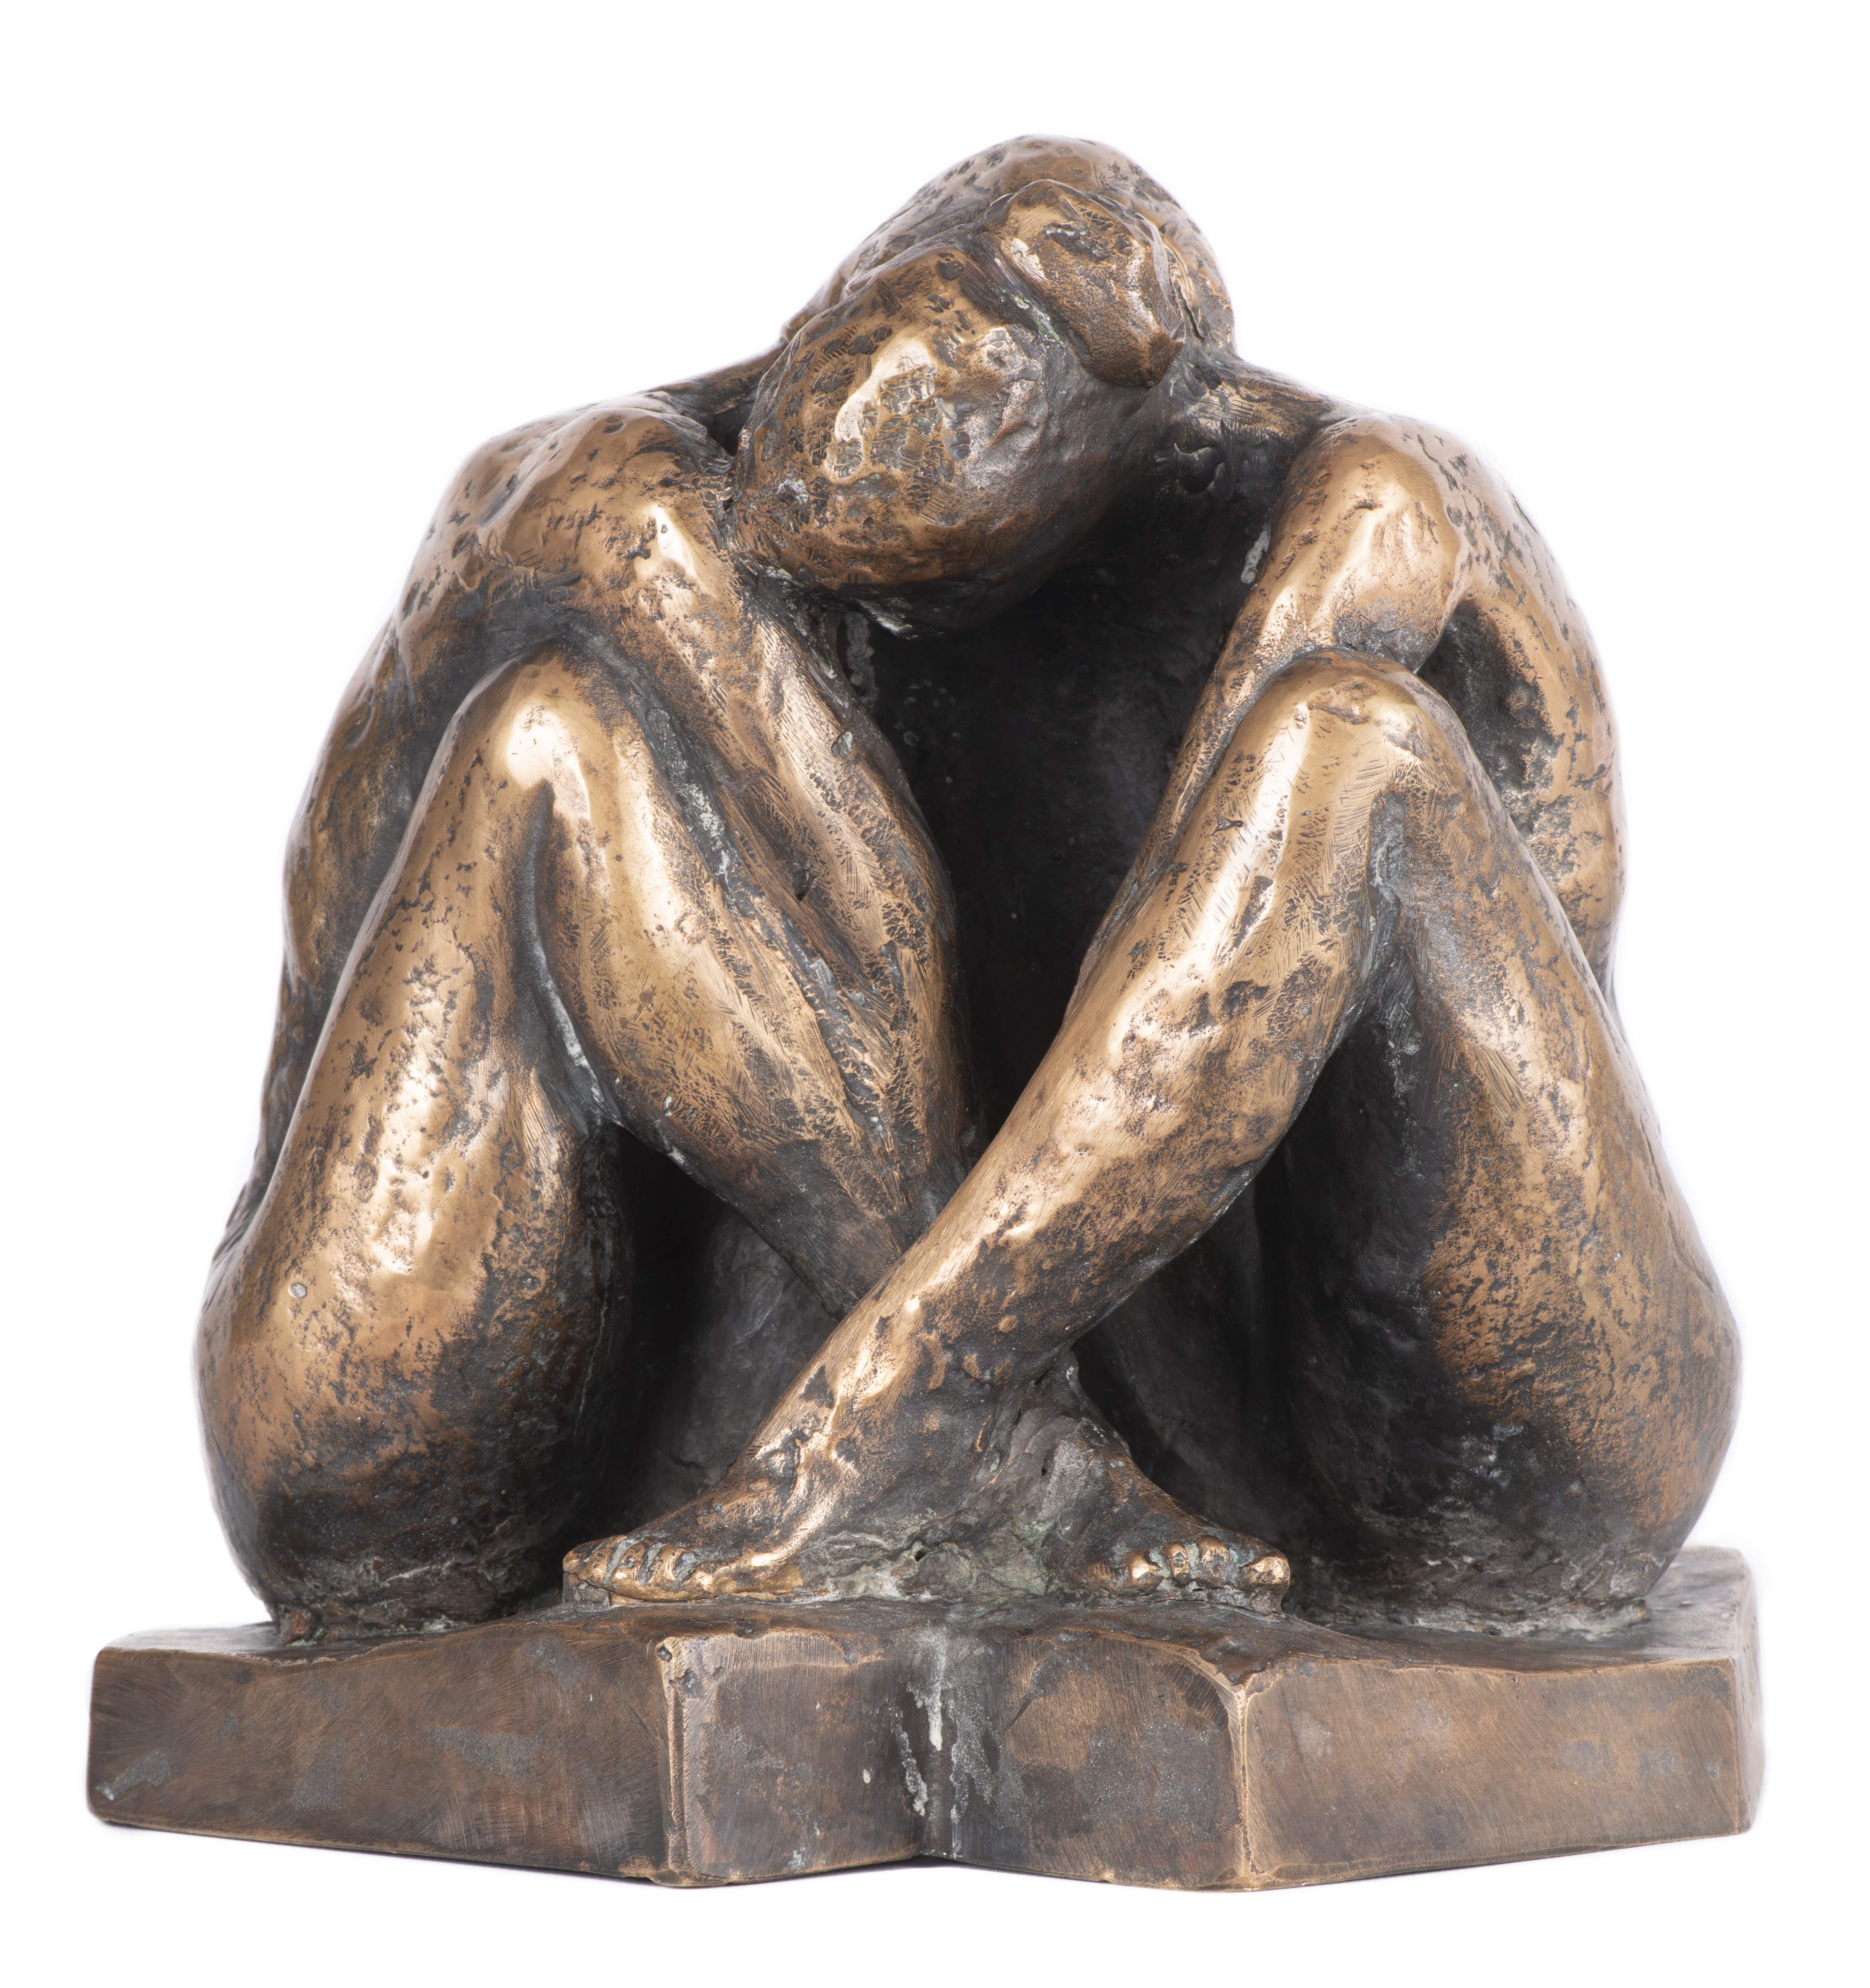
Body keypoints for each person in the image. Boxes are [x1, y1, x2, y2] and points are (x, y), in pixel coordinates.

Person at [198, 137, 1736, 1639]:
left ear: (1109, 460)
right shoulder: (601, 501)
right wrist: (699, 604)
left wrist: (932, 1361)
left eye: (927, 569)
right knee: (552, 738)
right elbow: (846, 904)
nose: (822, 581)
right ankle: (980, 1421)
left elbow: (1335, 969)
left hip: (1475, 1442)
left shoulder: (1365, 505)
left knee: (1348, 746)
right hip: (400, 1429)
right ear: (830, 301)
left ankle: (930, 1393)